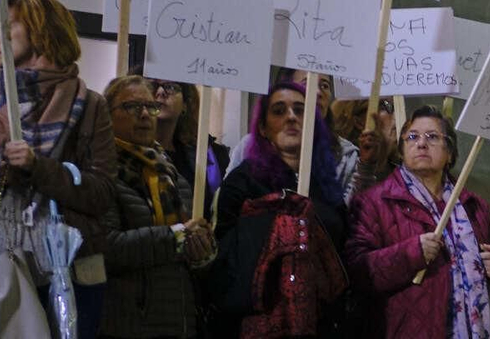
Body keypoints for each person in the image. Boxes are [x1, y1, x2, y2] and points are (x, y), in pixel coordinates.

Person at [0, 0, 116, 338]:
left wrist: (39, 168)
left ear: (42, 32)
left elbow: (102, 194)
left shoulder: (90, 105)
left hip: (67, 273)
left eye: (6, 27)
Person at [347, 105, 490, 338]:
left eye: (432, 137)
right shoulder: (373, 202)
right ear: (401, 150)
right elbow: (357, 272)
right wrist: (411, 254)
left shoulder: (474, 205)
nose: (421, 143)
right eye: (412, 137)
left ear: (449, 152)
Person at [209, 80, 348, 338]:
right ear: (262, 127)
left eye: (300, 110)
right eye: (279, 110)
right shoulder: (243, 181)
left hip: (322, 322)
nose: (291, 117)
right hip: (261, 321)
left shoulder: (326, 184)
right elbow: (222, 257)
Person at [99, 75, 213, 339]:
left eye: (150, 107)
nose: (144, 115)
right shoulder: (103, 173)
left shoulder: (174, 178)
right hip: (128, 324)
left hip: (178, 322)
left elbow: (191, 258)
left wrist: (203, 252)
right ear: (107, 115)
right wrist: (176, 238)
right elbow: (106, 247)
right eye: (131, 107)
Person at [226, 69, 362, 200]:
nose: (318, 92)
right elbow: (225, 204)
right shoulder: (248, 147)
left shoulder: (345, 154)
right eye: (307, 84)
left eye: (325, 86)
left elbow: (347, 216)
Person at [148, 77, 230, 219]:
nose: (160, 92)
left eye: (171, 87)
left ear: (186, 104)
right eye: (153, 86)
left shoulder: (202, 154)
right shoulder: (129, 150)